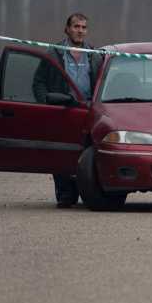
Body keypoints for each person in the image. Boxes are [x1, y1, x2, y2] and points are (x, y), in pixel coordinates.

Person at [32, 13, 102, 208]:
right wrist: (46, 105)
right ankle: (65, 195)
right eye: (76, 26)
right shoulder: (54, 53)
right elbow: (38, 83)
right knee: (62, 152)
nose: (80, 30)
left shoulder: (94, 55)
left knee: (87, 154)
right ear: (67, 29)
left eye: (83, 27)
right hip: (62, 110)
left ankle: (87, 192)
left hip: (88, 111)